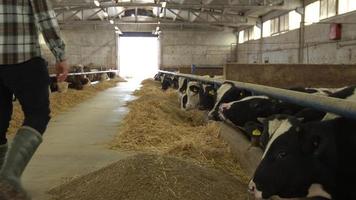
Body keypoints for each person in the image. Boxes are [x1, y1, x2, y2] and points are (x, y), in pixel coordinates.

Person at [0, 0, 68, 199]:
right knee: (38, 113)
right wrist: (60, 54)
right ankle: (8, 177)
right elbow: (45, 17)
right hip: (23, 58)